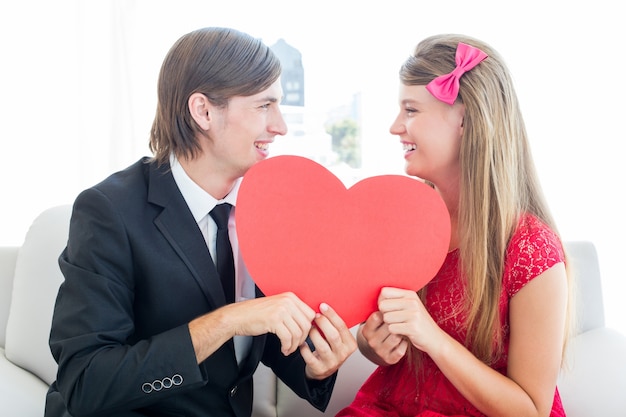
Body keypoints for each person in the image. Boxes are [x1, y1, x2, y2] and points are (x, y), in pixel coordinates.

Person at [44, 27, 356, 417]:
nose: (280, 126)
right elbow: (86, 383)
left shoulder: (274, 206)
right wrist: (226, 321)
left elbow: (273, 331)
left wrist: (317, 366)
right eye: (264, 106)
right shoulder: (109, 211)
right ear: (203, 111)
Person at [336, 34, 573, 417]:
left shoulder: (531, 249)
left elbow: (530, 409)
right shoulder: (403, 221)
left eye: (411, 110)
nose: (395, 127)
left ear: (464, 119)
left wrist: (432, 337)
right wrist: (372, 343)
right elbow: (375, 339)